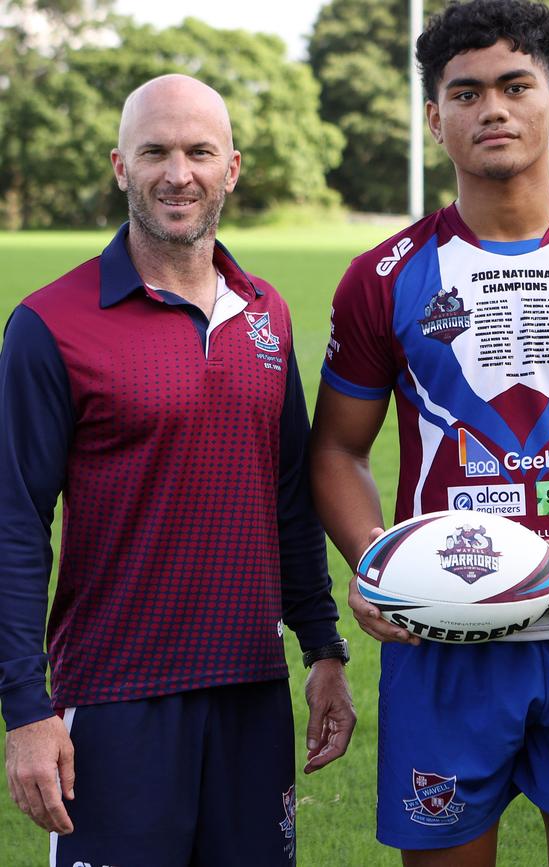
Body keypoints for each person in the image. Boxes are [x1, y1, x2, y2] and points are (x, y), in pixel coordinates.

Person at [310, 1, 549, 864]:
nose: (491, 108)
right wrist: (374, 562)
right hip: (445, 635)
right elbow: (337, 448)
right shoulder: (382, 276)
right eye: (465, 93)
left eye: (514, 85)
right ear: (435, 118)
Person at [0, 74, 355, 867]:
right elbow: (14, 524)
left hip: (251, 695)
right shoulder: (49, 324)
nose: (177, 173)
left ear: (232, 167)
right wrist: (26, 710)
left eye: (199, 152)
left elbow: (289, 496)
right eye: (153, 151)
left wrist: (322, 649)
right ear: (120, 167)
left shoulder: (266, 312)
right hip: (116, 703)